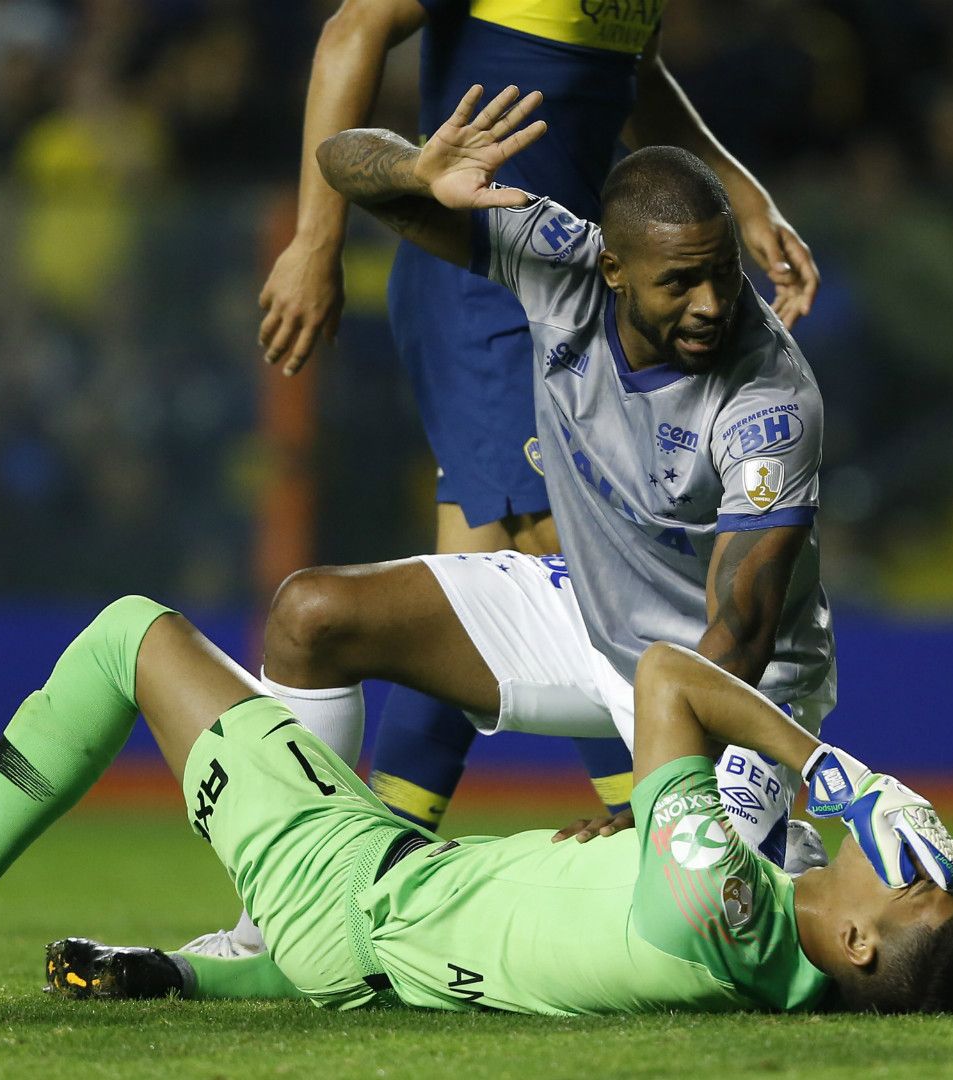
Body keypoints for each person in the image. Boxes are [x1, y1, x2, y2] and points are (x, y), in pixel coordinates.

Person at [0, 595, 953, 1013]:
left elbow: (667, 677)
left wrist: (846, 775)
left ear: (849, 941)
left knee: (131, 635)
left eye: (905, 888)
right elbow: (911, 969)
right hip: (375, 933)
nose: (895, 865)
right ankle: (186, 971)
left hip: (351, 888)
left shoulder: (720, 901)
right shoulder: (792, 952)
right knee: (368, 932)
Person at [252, 0, 820, 850]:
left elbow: (639, 81)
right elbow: (352, 28)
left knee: (475, 587)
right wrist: (314, 240)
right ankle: (671, 832)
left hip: (593, 286)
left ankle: (374, 856)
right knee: (582, 565)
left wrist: (742, 199)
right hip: (495, 289)